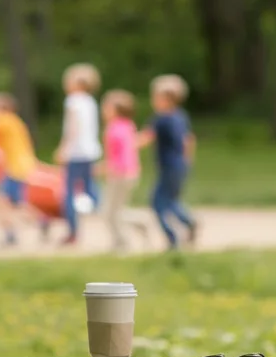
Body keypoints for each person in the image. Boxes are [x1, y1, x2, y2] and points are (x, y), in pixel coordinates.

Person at [138, 74, 197, 251]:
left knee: (158, 202)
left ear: (166, 99)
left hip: (168, 166)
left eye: (155, 97)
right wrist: (187, 161)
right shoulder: (181, 116)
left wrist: (125, 144)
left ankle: (172, 238)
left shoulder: (161, 119)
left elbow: (146, 138)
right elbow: (189, 140)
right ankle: (188, 222)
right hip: (180, 165)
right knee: (170, 200)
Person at [54, 63, 102, 246]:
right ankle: (109, 214)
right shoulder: (90, 101)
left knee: (68, 193)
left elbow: (72, 128)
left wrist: (64, 148)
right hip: (90, 151)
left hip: (76, 152)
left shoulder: (73, 101)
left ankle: (73, 232)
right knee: (91, 189)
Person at [99, 89, 151, 253]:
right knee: (116, 210)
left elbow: (115, 156)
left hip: (119, 174)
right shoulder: (129, 126)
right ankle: (136, 226)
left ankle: (122, 242)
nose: (104, 110)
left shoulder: (112, 129)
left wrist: (106, 168)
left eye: (107, 107)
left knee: (109, 212)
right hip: (131, 173)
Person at [0, 92, 37, 248]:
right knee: (17, 203)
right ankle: (41, 222)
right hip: (19, 166)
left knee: (2, 201)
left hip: (15, 167)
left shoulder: (4, 119)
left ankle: (11, 235)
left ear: (1, 107)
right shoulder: (13, 121)